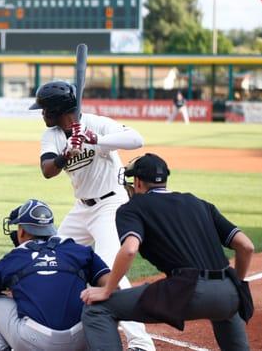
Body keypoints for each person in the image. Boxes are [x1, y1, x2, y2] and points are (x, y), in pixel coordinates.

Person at [80, 153, 255, 351]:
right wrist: (237, 286)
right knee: (226, 313)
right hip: (228, 292)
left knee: (98, 309)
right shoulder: (199, 203)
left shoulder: (132, 208)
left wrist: (107, 289)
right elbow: (246, 246)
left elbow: (129, 249)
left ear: (137, 182)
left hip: (188, 290)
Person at [29, 80, 155, 351]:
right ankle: (61, 325)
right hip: (82, 208)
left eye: (44, 110)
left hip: (111, 205)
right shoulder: (52, 135)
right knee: (57, 258)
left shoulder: (97, 124)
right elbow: (48, 170)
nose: (41, 115)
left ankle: (142, 343)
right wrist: (66, 154)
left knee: (109, 269)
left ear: (56, 109)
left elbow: (137, 139)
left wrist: (93, 139)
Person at [0, 199, 112, 351]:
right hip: (81, 340)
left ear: (22, 231)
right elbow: (113, 286)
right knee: (99, 296)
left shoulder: (12, 259)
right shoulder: (80, 251)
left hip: (35, 342)